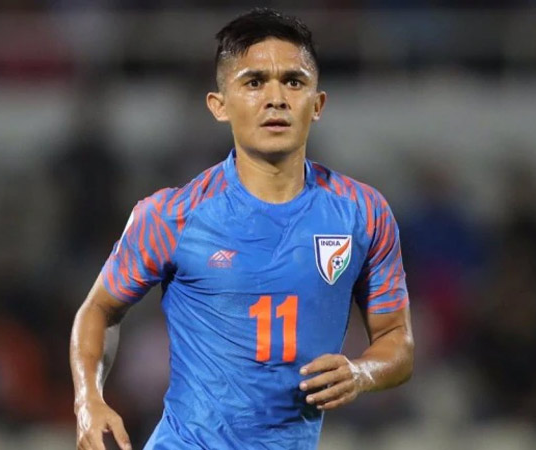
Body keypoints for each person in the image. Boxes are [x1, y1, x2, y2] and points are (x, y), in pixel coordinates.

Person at [70, 8, 414, 450]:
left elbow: (396, 341)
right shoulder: (171, 215)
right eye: (254, 82)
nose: (276, 98)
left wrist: (361, 373)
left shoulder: (362, 214)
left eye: (293, 81)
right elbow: (99, 309)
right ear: (220, 105)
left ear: (318, 104)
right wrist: (88, 399)